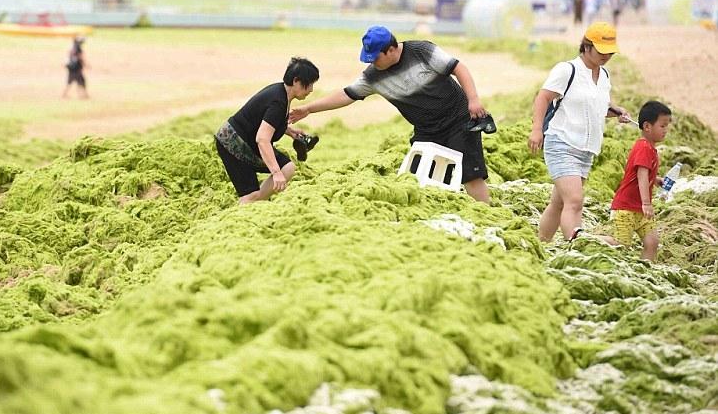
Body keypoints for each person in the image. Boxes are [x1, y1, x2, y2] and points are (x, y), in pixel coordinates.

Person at [289, 26, 493, 203]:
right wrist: (308, 109)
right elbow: (347, 94)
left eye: (376, 57)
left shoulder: (422, 51)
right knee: (416, 177)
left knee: (469, 174)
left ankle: (484, 214)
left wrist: (473, 99)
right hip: (427, 130)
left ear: (392, 49)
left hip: (458, 118)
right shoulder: (373, 76)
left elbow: (459, 68)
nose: (373, 63)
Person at [528, 21, 633, 242]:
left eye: (610, 52)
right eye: (601, 51)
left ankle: (541, 246)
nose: (606, 56)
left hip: (586, 150)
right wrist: (536, 129)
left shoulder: (603, 75)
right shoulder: (568, 70)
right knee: (574, 201)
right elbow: (543, 97)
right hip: (562, 143)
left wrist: (617, 112)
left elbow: (598, 107)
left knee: (559, 203)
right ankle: (578, 246)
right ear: (586, 46)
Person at [215, 57, 319, 204]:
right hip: (233, 143)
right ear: (296, 81)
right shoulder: (278, 101)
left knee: (287, 168)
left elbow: (265, 121)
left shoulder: (281, 92)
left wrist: (290, 131)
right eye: (309, 84)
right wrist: (276, 173)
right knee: (250, 194)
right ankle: (248, 205)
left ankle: (257, 201)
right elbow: (262, 139)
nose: (311, 89)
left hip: (246, 141)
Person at [609, 101, 672, 261]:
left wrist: (656, 180)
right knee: (620, 244)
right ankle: (586, 238)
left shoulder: (650, 148)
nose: (666, 130)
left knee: (652, 242)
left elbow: (643, 173)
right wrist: (647, 203)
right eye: (662, 126)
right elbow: (641, 176)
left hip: (639, 210)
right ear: (647, 126)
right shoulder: (644, 147)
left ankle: (646, 270)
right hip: (626, 208)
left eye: (667, 126)